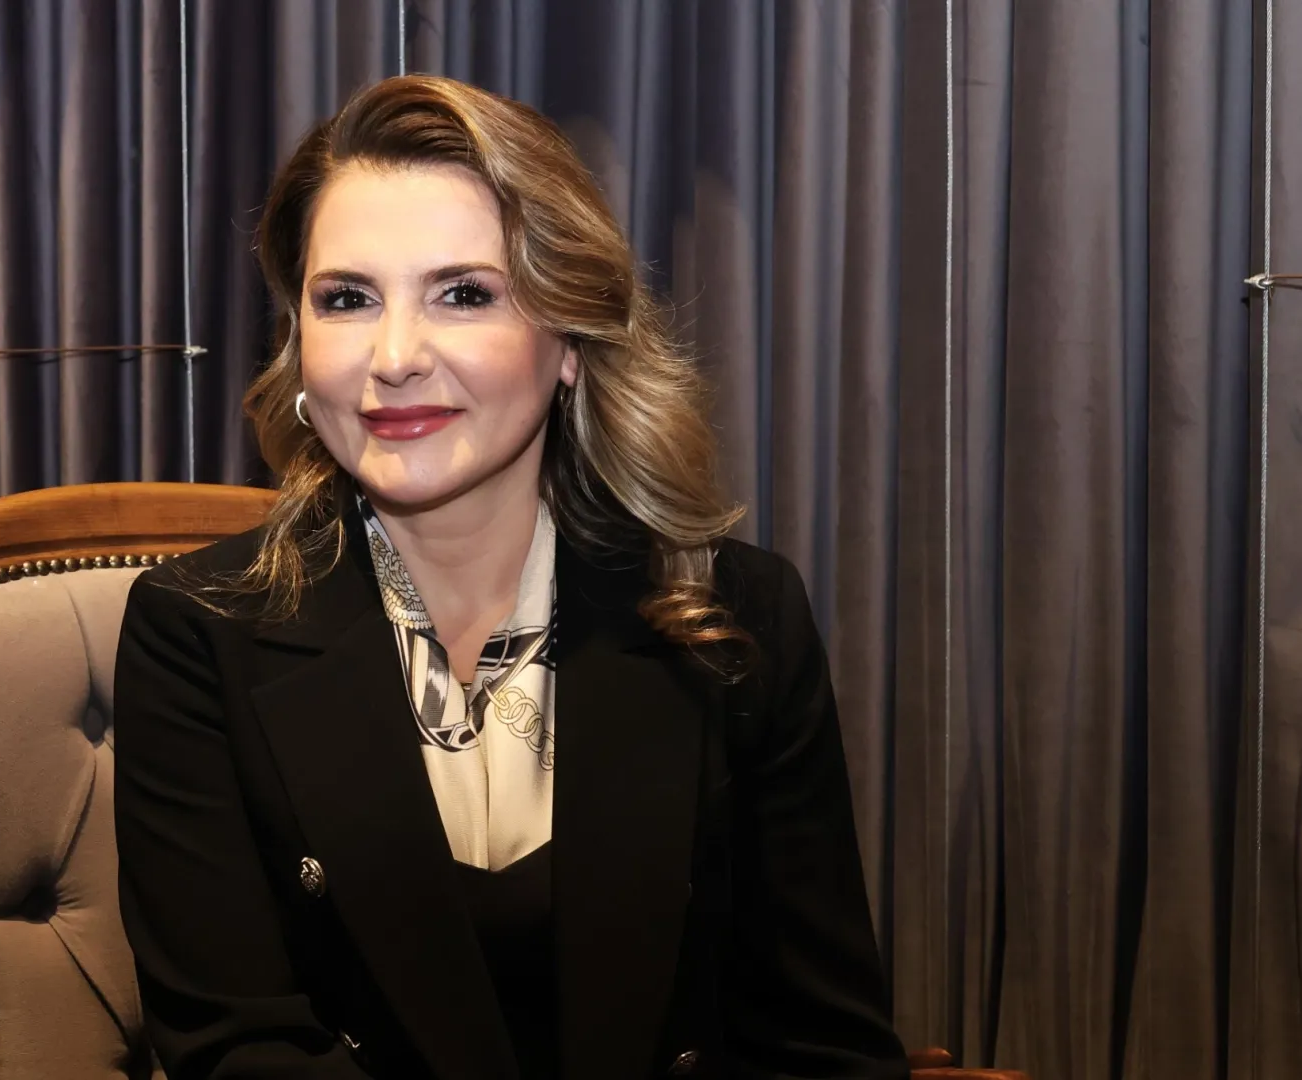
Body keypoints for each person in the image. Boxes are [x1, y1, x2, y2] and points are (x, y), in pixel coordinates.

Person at [113, 74, 910, 1080]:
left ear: (568, 340)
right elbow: (238, 1053)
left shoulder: (735, 620)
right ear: (298, 343)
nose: (393, 357)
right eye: (346, 299)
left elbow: (822, 1050)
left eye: (464, 294)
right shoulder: (196, 632)